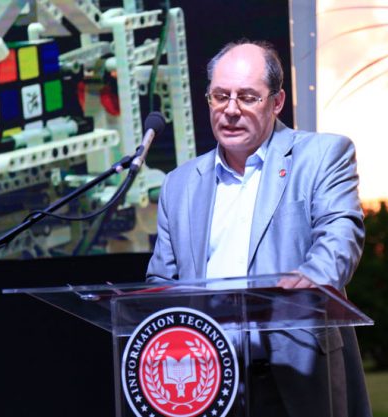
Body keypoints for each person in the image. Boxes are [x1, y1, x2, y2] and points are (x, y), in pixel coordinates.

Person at [146, 39, 371, 417]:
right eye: (220, 96)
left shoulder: (322, 156)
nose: (231, 110)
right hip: (206, 382)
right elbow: (160, 284)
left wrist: (310, 281)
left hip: (294, 373)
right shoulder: (179, 184)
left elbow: (340, 234)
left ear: (277, 102)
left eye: (247, 97)